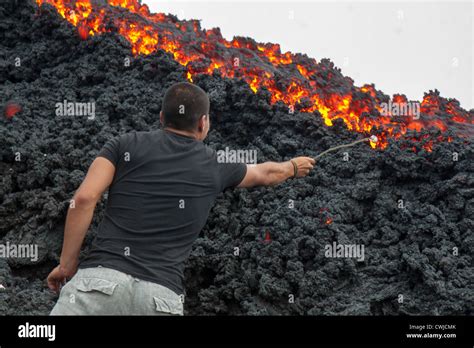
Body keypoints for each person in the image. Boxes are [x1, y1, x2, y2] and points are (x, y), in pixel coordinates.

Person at [48, 82, 315, 315]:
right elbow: (265, 173)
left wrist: (67, 264)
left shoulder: (125, 144)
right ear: (203, 123)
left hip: (98, 283)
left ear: (161, 116)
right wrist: (293, 167)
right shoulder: (217, 164)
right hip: (160, 299)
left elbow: (84, 198)